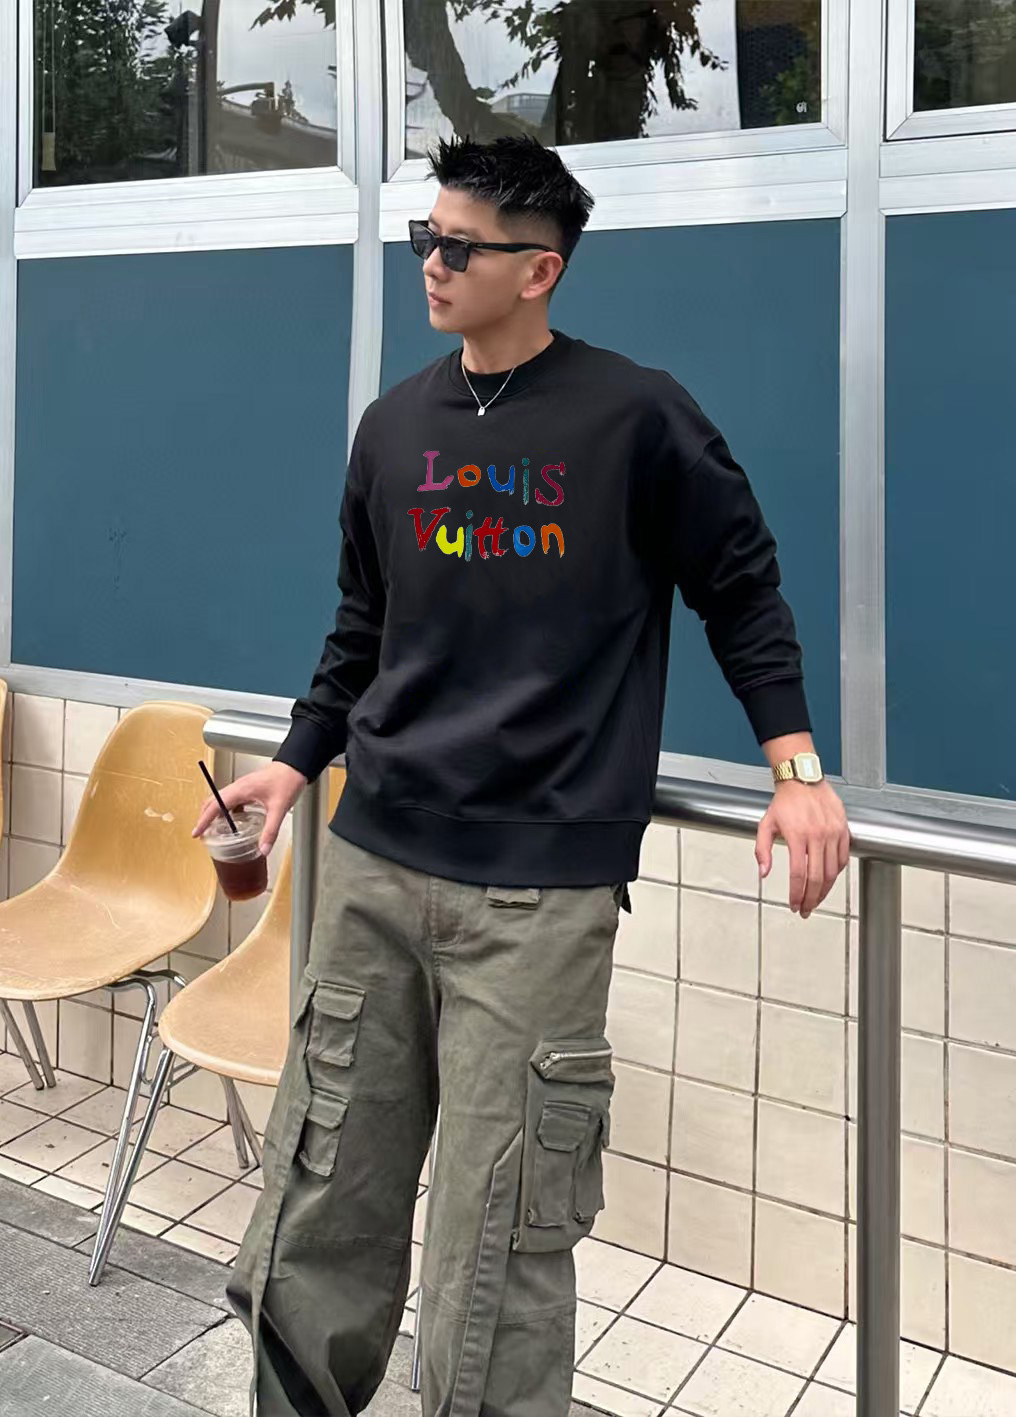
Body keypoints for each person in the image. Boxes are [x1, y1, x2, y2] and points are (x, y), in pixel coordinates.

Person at [191, 133, 850, 1417]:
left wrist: (797, 765)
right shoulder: (394, 425)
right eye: (423, 238)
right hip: (373, 868)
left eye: (457, 246)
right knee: (320, 1190)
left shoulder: (637, 416)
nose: (429, 264)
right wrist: (294, 765)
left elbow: (740, 588)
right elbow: (362, 630)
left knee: (497, 1237)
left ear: (538, 269)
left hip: (537, 900)